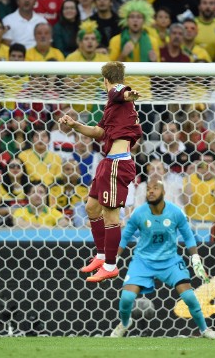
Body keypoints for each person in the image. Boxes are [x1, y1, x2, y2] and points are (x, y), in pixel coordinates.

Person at [58, 61, 142, 283]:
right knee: (91, 208)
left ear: (105, 80)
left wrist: (128, 93)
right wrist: (75, 125)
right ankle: (102, 255)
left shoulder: (116, 94)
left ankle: (111, 266)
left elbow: (121, 91)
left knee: (111, 215)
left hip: (118, 164)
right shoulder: (112, 107)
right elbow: (98, 132)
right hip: (108, 162)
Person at [109, 179, 215, 339]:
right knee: (127, 298)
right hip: (143, 261)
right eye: (148, 188)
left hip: (170, 261)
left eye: (155, 188)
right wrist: (112, 259)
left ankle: (204, 330)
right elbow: (125, 237)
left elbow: (188, 237)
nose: (151, 191)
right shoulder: (139, 213)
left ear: (163, 192)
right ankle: (125, 323)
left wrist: (195, 258)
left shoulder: (175, 212)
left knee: (189, 297)